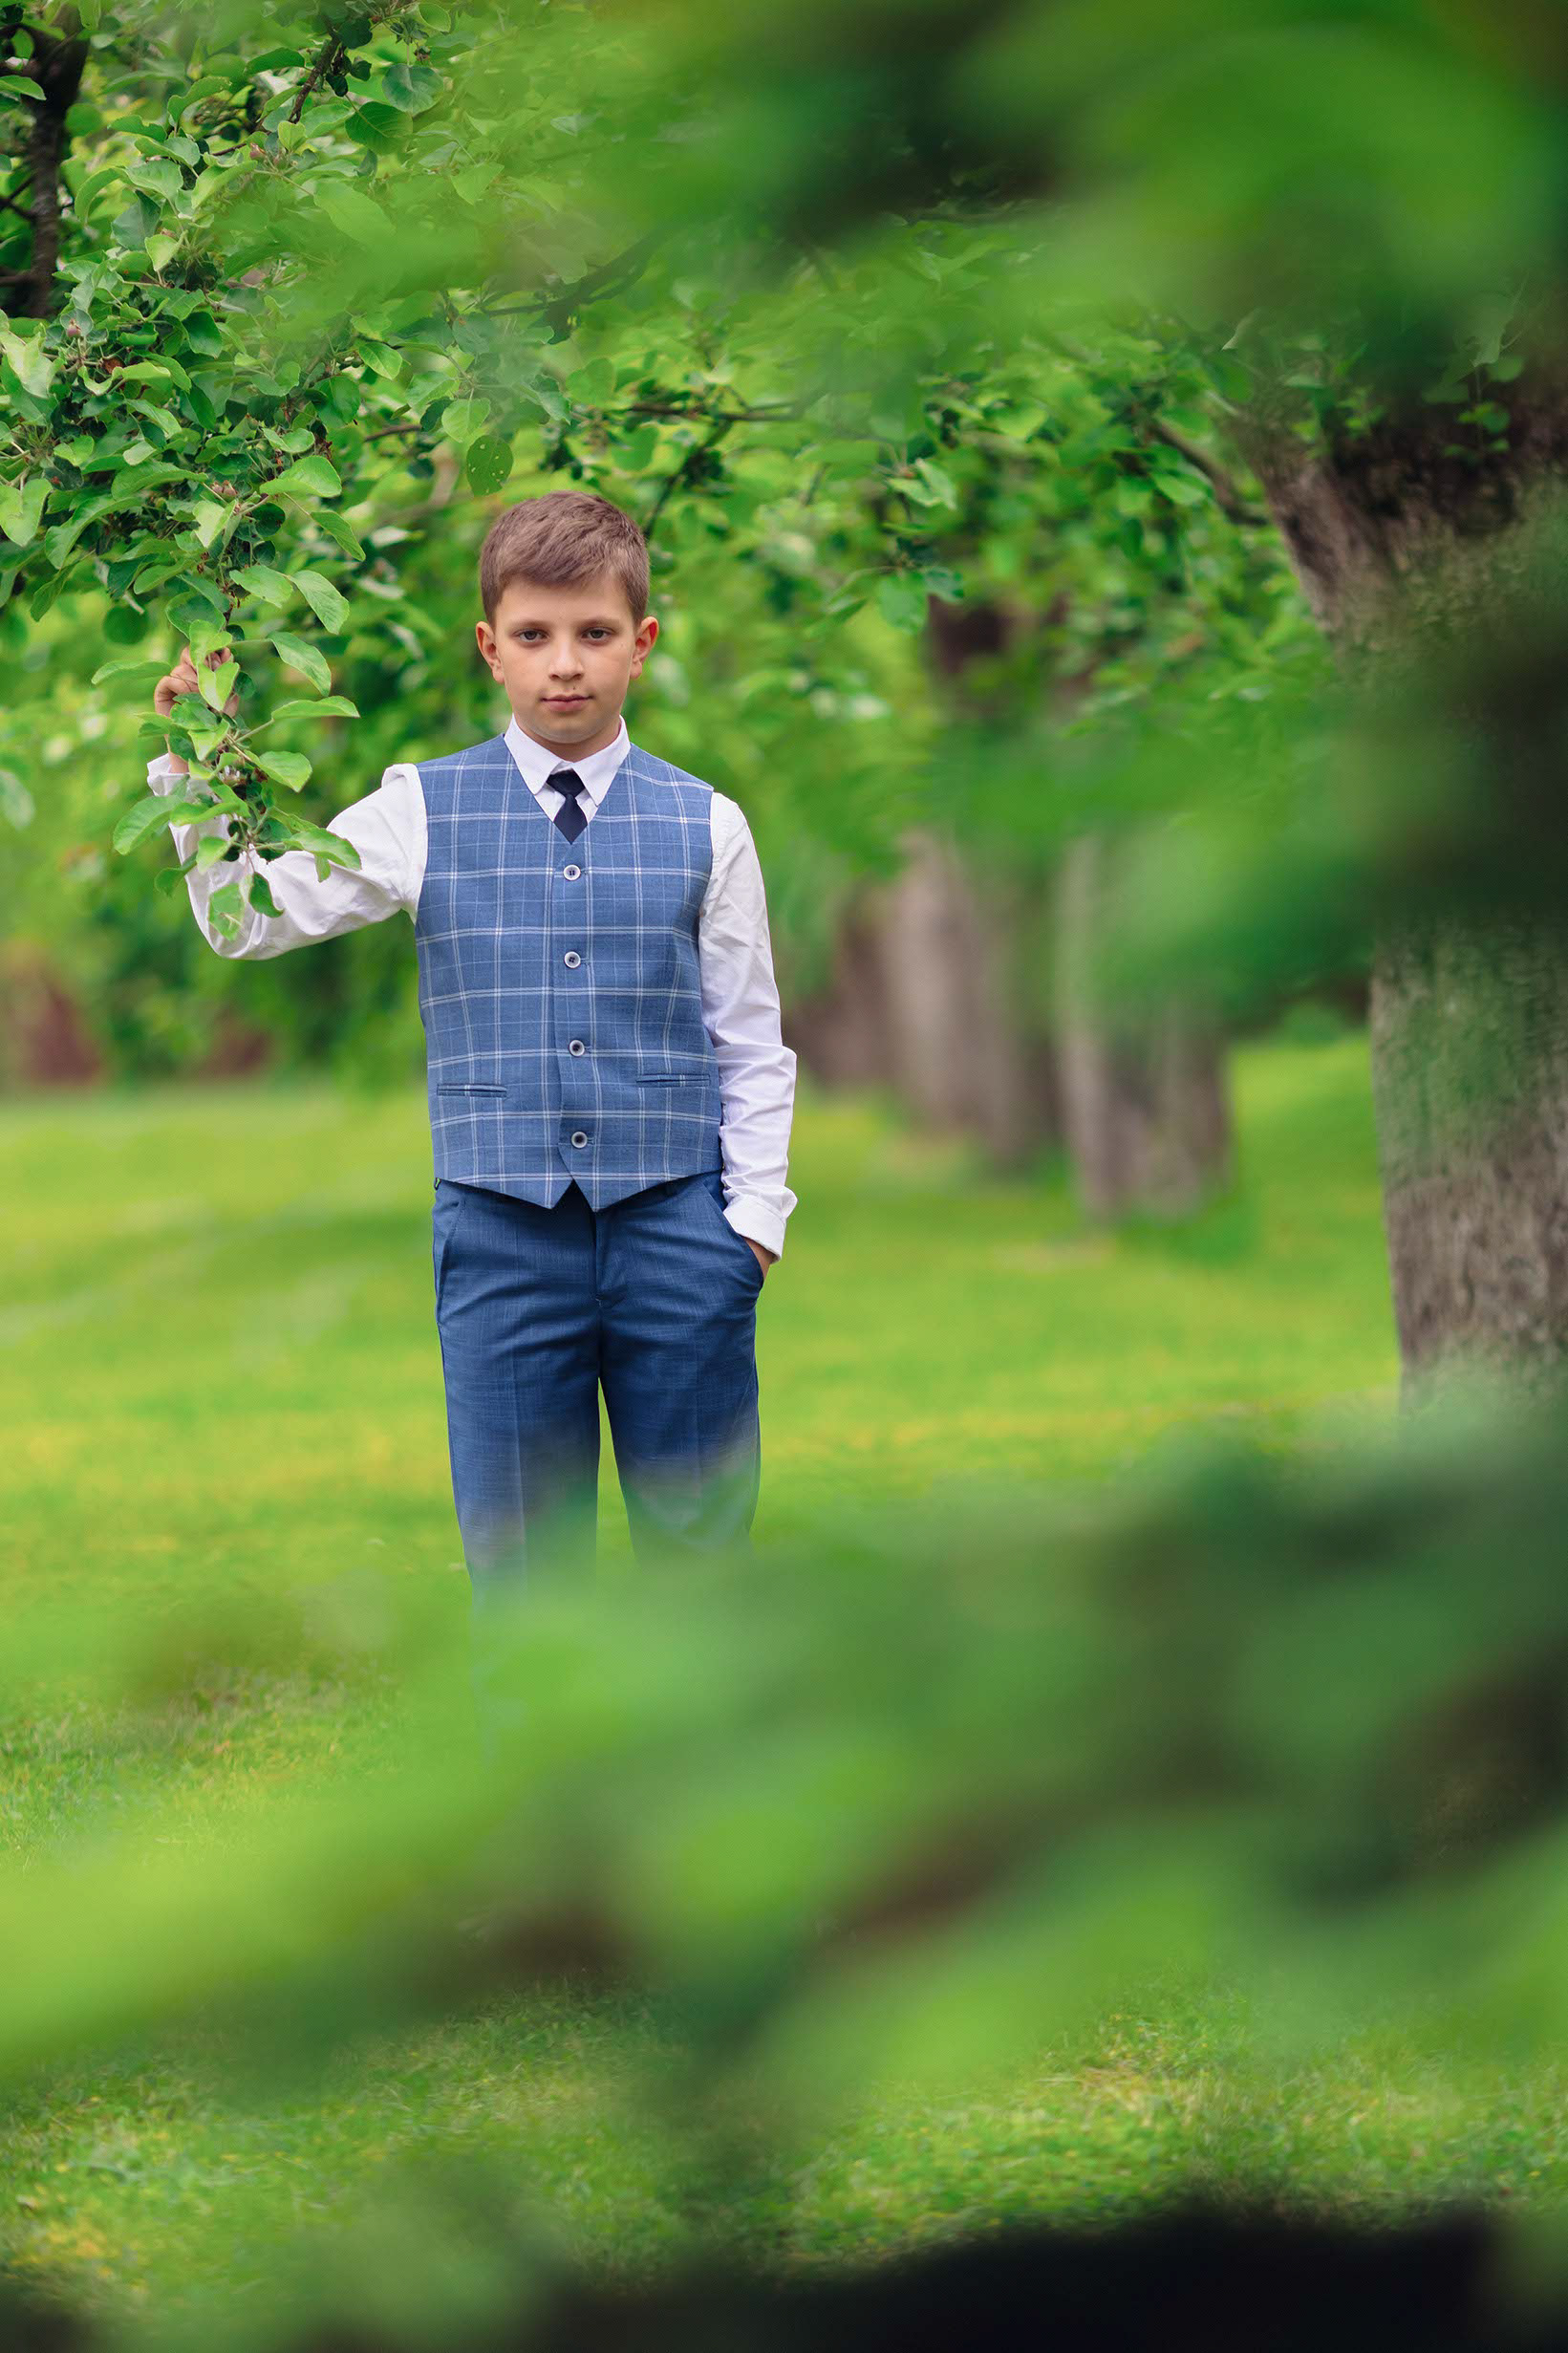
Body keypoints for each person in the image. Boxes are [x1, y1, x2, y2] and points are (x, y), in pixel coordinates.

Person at [148, 489, 797, 1735]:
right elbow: (248, 917)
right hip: (501, 1237)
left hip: (679, 1232)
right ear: (490, 646)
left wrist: (750, 1227)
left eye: (594, 634)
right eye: (537, 635)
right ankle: (539, 1824)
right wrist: (198, 767)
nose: (566, 664)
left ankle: (706, 1814)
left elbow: (748, 1038)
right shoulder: (419, 807)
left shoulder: (708, 823)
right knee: (523, 1569)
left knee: (700, 1564)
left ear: (643, 641)